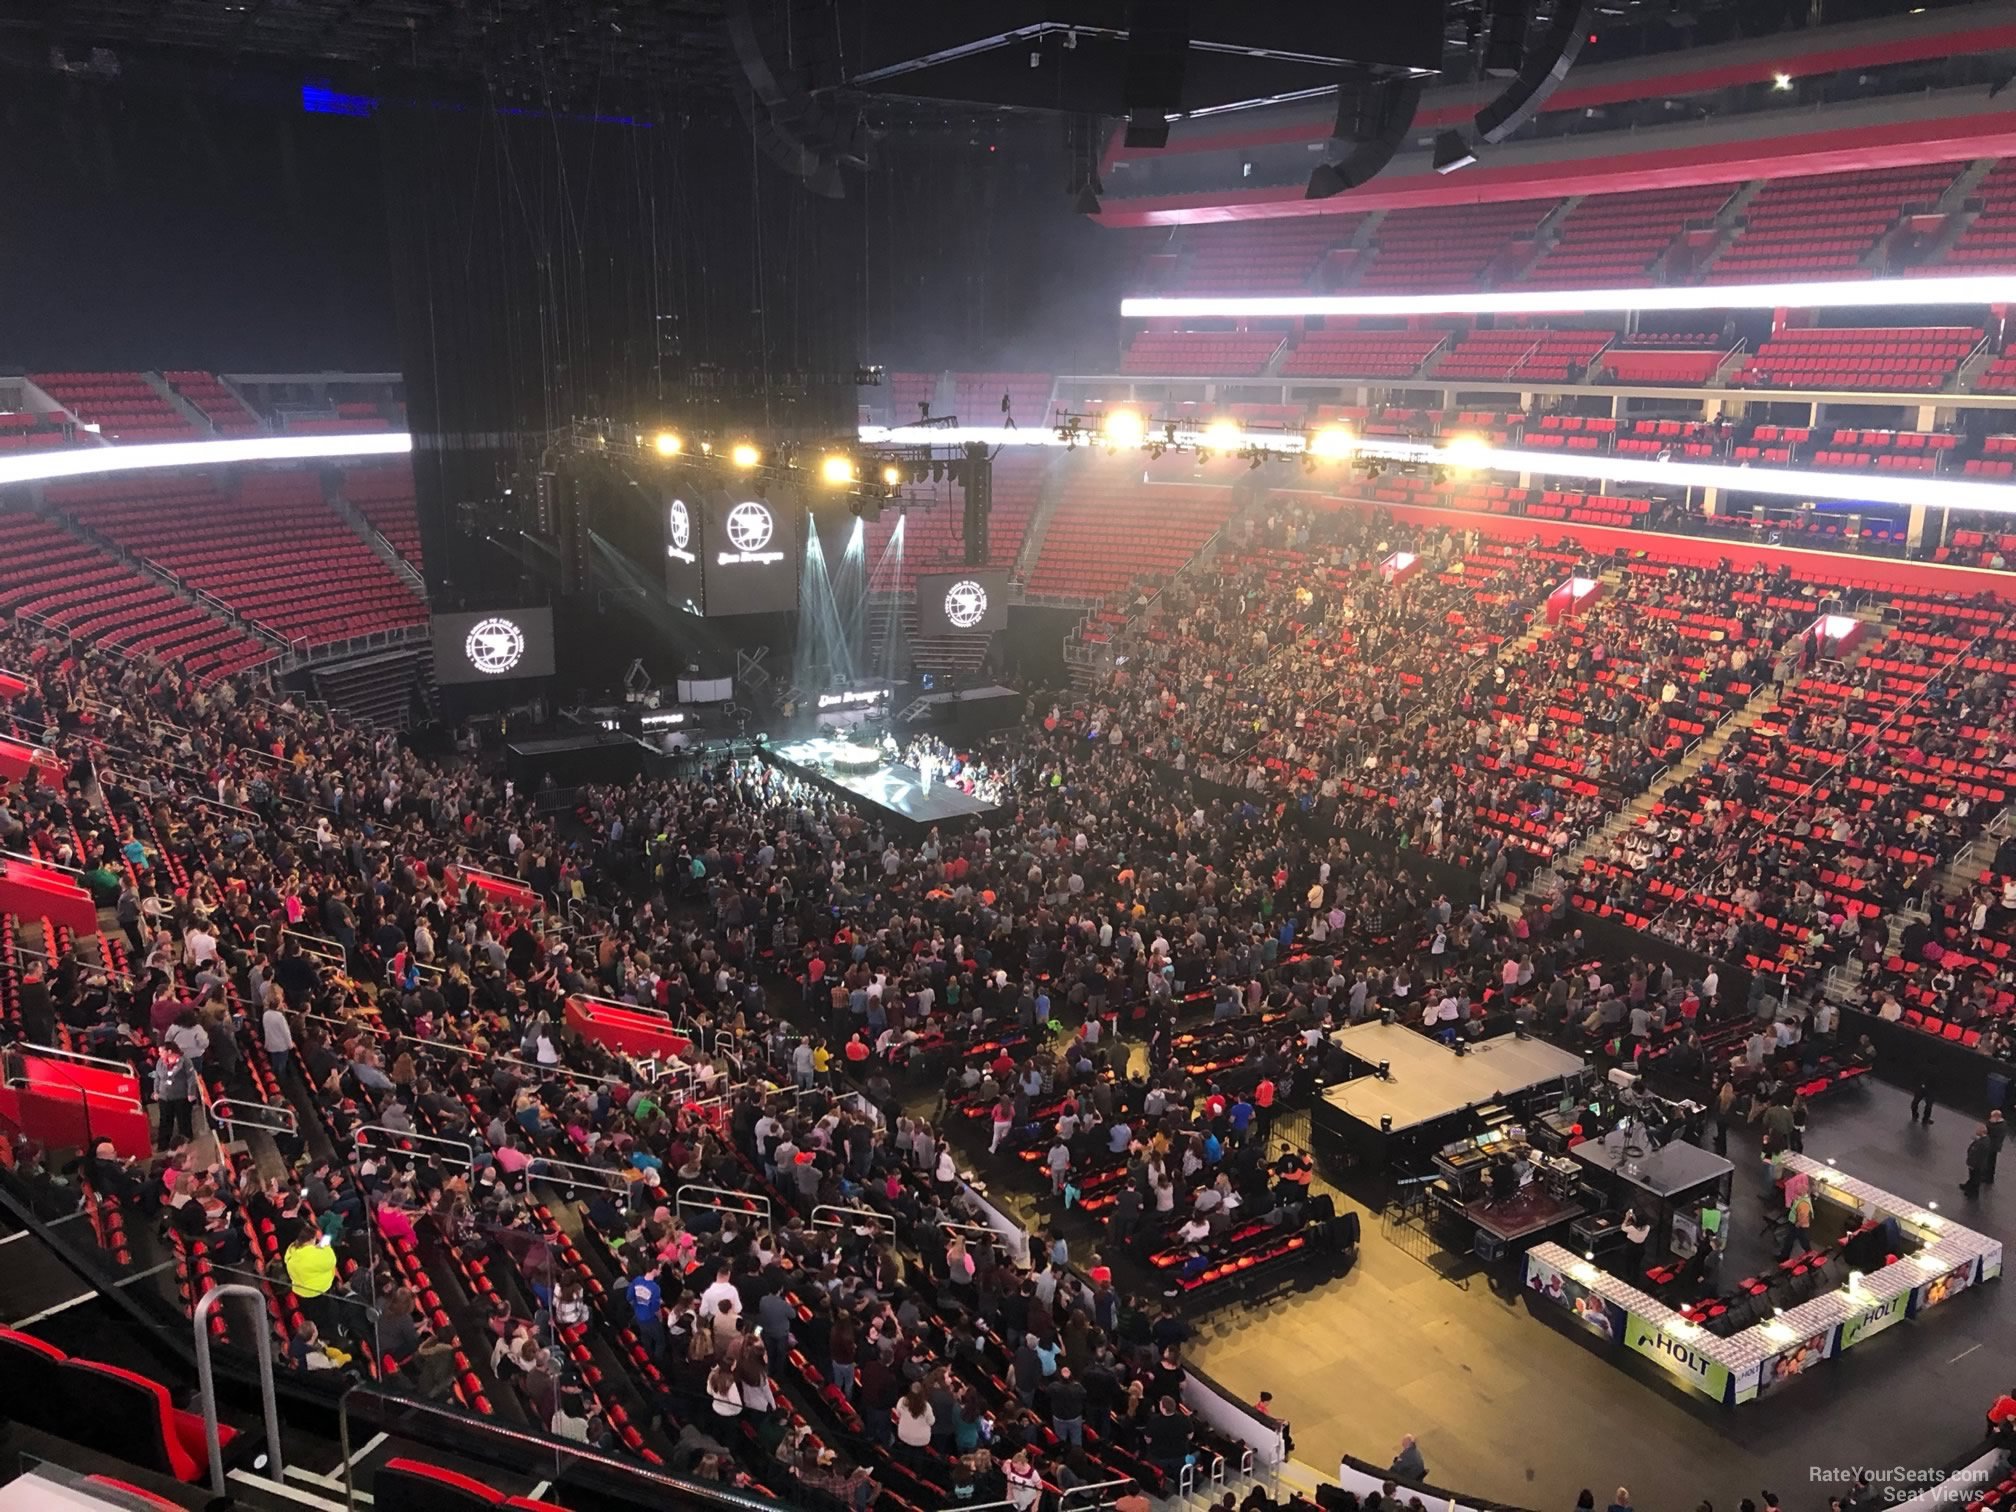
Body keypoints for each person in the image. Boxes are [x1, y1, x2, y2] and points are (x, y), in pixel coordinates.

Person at [1963, 1124, 1993, 1198]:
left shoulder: (1983, 1143)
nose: (1976, 1131)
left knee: (1975, 1178)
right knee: (1973, 1177)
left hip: (1976, 1164)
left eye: (1978, 1130)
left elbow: (1979, 1156)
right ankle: (1969, 1187)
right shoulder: (1983, 1140)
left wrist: (1973, 1164)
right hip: (1975, 1163)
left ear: (1982, 1132)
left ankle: (1973, 1193)